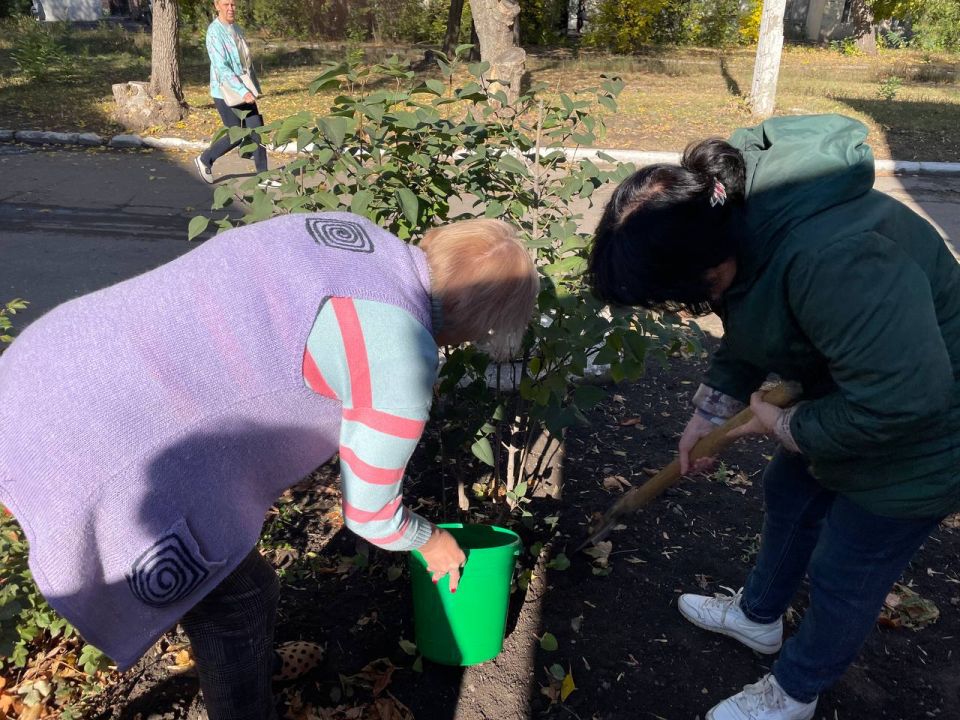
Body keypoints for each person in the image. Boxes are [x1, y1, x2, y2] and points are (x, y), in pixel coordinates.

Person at [0, 212, 539, 720]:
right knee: (240, 599)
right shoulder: (398, 358)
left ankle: (248, 668)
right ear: (480, 323)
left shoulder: (349, 234)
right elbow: (371, 513)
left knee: (233, 582)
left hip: (59, 357)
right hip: (100, 437)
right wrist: (429, 540)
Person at [588, 114, 960, 720]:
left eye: (688, 296)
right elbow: (751, 321)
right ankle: (758, 617)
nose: (697, 307)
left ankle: (794, 691)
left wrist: (786, 427)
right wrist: (710, 412)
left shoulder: (834, 258)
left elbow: (904, 400)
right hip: (847, 393)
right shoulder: (735, 224)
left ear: (711, 264)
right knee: (790, 495)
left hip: (928, 434)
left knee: (848, 569)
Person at [194, 0, 279, 189]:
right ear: (216, 5)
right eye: (226, 4)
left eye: (233, 4)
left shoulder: (237, 29)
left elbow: (245, 63)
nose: (231, 8)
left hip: (244, 89)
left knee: (256, 128)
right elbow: (221, 67)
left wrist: (252, 87)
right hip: (225, 91)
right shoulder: (214, 32)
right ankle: (205, 159)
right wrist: (242, 91)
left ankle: (263, 176)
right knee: (237, 134)